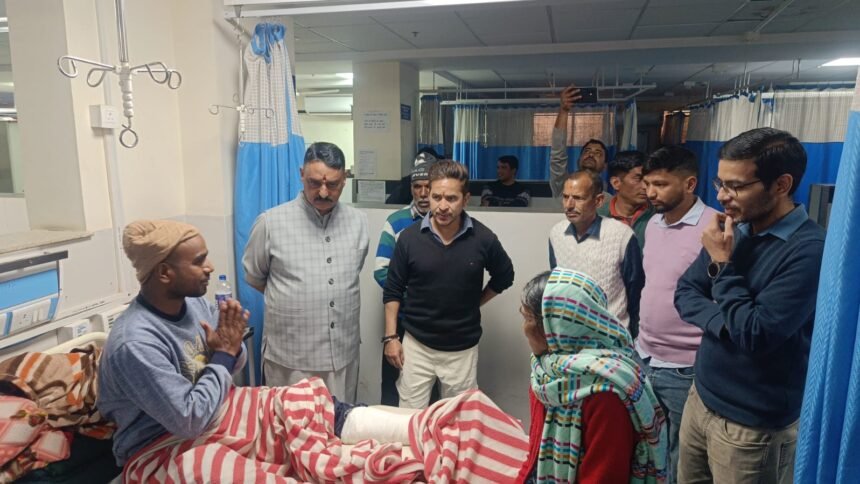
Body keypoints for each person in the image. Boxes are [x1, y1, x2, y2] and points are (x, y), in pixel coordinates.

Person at [674, 128, 826, 483]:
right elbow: (686, 292)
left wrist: (722, 264)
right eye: (720, 183)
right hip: (701, 398)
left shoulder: (810, 250)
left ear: (781, 185)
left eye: (736, 186)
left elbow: (756, 335)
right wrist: (729, 325)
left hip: (752, 428)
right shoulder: (735, 228)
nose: (721, 196)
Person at [98, 219, 249, 466]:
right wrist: (223, 354)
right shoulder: (135, 342)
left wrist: (229, 347)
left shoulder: (195, 304)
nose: (210, 267)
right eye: (199, 261)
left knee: (302, 404)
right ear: (164, 273)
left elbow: (233, 360)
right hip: (158, 447)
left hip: (214, 415)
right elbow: (189, 421)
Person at [382, 160, 515, 409]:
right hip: (416, 346)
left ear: (466, 199)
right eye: (437, 197)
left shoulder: (483, 238)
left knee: (457, 419)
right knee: (410, 417)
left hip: (461, 350)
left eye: (451, 198)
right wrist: (391, 337)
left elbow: (505, 276)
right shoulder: (409, 238)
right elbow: (393, 289)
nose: (442, 206)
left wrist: (475, 302)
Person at [243, 142, 369, 402]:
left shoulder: (358, 222)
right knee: (289, 422)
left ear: (344, 179)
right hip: (290, 359)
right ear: (301, 174)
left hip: (342, 355)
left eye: (332, 184)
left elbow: (352, 272)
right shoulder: (271, 223)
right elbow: (255, 277)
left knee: (338, 420)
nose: (323, 192)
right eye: (314, 183)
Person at [516, 268, 667, 483]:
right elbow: (534, 456)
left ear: (555, 327)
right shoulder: (545, 375)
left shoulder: (606, 395)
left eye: (527, 318)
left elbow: (603, 477)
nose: (523, 328)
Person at [636, 146, 718, 484]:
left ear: (689, 184)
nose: (650, 192)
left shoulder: (715, 227)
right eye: (647, 184)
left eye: (660, 184)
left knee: (684, 458)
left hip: (688, 367)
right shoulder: (652, 224)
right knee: (648, 448)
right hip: (644, 357)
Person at [548, 169, 644, 335]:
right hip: (569, 335)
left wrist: (634, 337)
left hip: (611, 336)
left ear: (598, 201)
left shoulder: (621, 235)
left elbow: (635, 291)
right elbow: (557, 285)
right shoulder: (556, 233)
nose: (569, 205)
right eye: (565, 197)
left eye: (578, 198)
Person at [373, 160, 435, 405]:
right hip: (401, 320)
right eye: (417, 186)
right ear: (411, 189)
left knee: (434, 391)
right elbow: (381, 271)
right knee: (393, 385)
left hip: (435, 323)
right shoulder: (396, 221)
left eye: (428, 186)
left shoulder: (449, 222)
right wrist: (416, 296)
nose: (423, 193)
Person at [549, 85, 610, 198]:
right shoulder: (564, 185)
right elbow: (557, 157)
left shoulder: (607, 200)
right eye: (587, 151)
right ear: (579, 159)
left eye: (598, 153)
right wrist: (563, 110)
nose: (591, 154)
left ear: (605, 166)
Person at [597, 150, 655, 249]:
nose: (645, 187)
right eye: (638, 179)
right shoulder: (597, 216)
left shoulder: (657, 218)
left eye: (647, 180)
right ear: (616, 183)